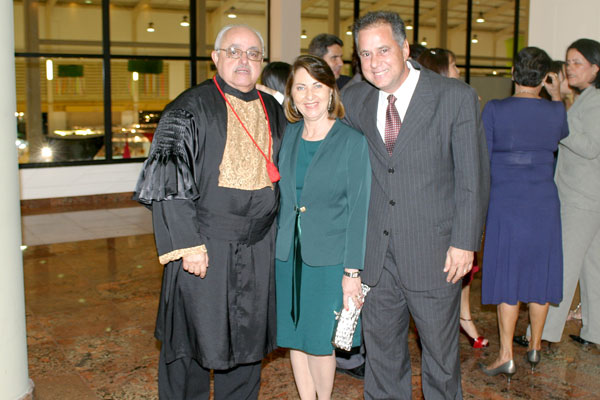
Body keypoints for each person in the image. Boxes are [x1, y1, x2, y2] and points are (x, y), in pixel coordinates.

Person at [132, 24, 287, 399]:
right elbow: (168, 180)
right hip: (205, 248)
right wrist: (188, 245)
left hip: (259, 246)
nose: (243, 60)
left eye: (253, 53)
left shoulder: (272, 109)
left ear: (261, 62)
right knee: (192, 341)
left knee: (248, 343)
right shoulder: (187, 108)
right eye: (234, 51)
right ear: (216, 57)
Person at [342, 11, 489, 399]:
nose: (375, 62)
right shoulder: (354, 99)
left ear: (405, 48)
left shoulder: (453, 97)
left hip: (436, 254)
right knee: (382, 359)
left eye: (383, 50)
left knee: (440, 360)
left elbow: (472, 177)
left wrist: (465, 243)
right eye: (365, 54)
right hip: (377, 258)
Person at [275, 54, 371, 399]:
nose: (309, 95)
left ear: (331, 91)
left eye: (317, 86)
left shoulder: (352, 142)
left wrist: (352, 272)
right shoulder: (289, 135)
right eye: (301, 87)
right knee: (295, 337)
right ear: (291, 95)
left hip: (330, 260)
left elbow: (359, 212)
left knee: (319, 341)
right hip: (288, 255)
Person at [479, 47, 568, 382]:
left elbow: (483, 157)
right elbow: (561, 134)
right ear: (544, 77)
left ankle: (506, 355)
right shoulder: (556, 111)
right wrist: (556, 96)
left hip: (506, 201)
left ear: (514, 73)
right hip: (544, 201)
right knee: (539, 272)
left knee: (508, 275)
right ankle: (534, 346)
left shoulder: (495, 109)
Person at [418, 47, 489, 349]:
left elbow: (473, 173)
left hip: (453, 222)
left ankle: (462, 319)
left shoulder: (462, 99)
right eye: (454, 65)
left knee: (451, 287)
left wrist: (466, 238)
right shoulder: (423, 107)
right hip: (428, 221)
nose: (459, 70)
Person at [539, 38, 600, 348]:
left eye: (577, 63)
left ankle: (544, 333)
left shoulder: (596, 101)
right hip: (588, 196)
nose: (569, 68)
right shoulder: (587, 98)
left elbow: (589, 147)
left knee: (564, 267)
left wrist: (560, 121)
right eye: (568, 62)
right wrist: (558, 100)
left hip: (581, 198)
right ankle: (595, 332)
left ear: (595, 68)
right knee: (592, 267)